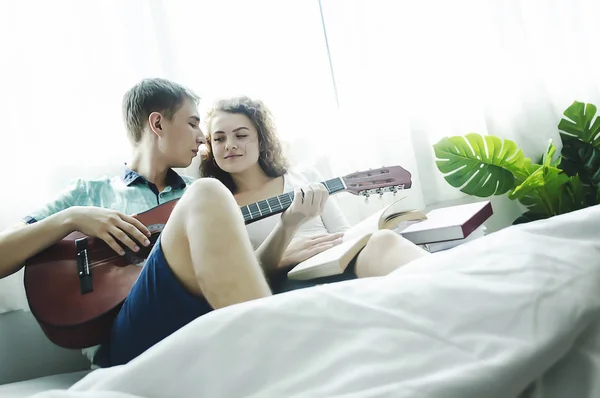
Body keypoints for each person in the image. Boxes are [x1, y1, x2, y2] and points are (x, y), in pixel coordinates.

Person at [0, 78, 336, 367]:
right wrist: (72, 217)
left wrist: (284, 234)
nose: (202, 137)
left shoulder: (206, 199)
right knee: (207, 192)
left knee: (207, 193)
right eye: (192, 123)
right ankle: (281, 361)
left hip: (199, 323)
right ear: (158, 125)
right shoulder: (89, 193)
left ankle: (274, 358)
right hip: (124, 337)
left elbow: (237, 279)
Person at [200, 96, 430, 289]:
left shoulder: (304, 177)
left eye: (241, 135)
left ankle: (449, 287)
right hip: (286, 281)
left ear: (261, 141)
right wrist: (287, 229)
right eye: (219, 139)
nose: (229, 144)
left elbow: (342, 232)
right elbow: (237, 280)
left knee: (383, 240)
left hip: (335, 261)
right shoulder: (217, 206)